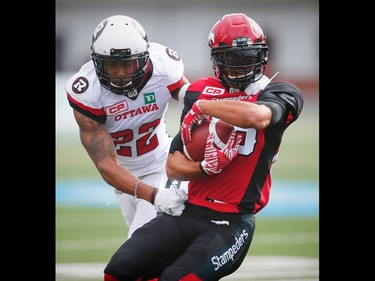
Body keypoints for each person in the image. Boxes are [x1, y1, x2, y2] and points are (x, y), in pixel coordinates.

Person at [102, 12, 304, 281]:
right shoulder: (200, 89)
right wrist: (205, 167)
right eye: (232, 57)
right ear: (217, 58)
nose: (241, 65)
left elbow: (258, 117)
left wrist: (205, 107)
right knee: (119, 269)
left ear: (262, 55)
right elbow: (173, 166)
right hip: (189, 210)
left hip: (232, 223)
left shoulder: (280, 91)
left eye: (248, 56)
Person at [65, 14, 190, 239]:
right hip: (122, 177)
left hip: (161, 165)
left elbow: (194, 105)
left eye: (128, 64)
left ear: (143, 59)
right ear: (97, 61)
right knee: (153, 255)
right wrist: (152, 195)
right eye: (112, 66)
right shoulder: (88, 91)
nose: (121, 74)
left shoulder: (162, 67)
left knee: (138, 249)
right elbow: (105, 163)